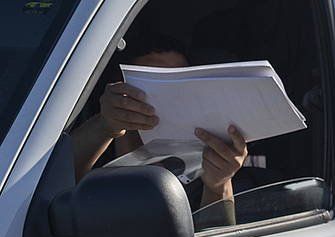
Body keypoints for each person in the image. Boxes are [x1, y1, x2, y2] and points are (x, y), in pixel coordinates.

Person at [71, 32, 249, 226]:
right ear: (121, 87)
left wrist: (218, 185)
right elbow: (50, 181)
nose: (172, 96)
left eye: (181, 83)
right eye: (156, 82)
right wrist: (105, 125)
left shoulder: (205, 163)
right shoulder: (95, 150)